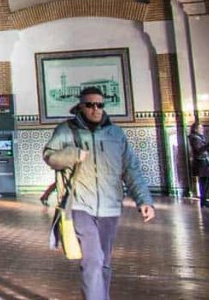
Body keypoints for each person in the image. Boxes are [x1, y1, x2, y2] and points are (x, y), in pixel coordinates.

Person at [43, 87, 154, 300]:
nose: (95, 109)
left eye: (100, 105)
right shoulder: (66, 130)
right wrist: (73, 154)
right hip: (79, 205)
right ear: (80, 106)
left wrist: (144, 200)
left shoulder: (116, 134)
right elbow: (49, 156)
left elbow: (131, 169)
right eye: (90, 105)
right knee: (92, 260)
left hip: (110, 207)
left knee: (103, 261)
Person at [188, 119, 209, 208]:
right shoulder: (194, 138)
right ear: (195, 129)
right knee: (207, 180)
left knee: (206, 181)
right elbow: (198, 150)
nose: (202, 129)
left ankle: (204, 200)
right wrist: (208, 145)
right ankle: (204, 200)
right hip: (201, 163)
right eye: (200, 128)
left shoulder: (200, 137)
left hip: (203, 162)